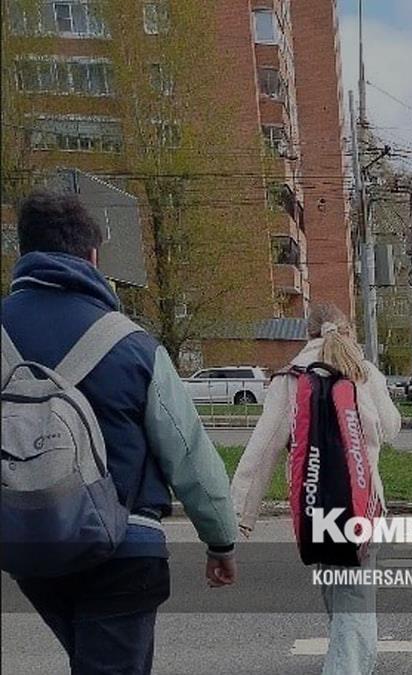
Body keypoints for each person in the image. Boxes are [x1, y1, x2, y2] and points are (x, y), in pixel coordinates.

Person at [2, 189, 238, 674]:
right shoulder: (132, 344)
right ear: (93, 257)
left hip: (31, 542)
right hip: (124, 547)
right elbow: (189, 454)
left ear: (22, 252)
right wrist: (221, 541)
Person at [231, 303, 402, 675]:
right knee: (354, 602)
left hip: (316, 509)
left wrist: (240, 517)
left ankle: (346, 663)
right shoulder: (363, 373)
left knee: (338, 596)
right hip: (363, 507)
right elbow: (391, 427)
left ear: (306, 334)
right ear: (349, 330)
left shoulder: (289, 379)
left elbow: (261, 451)